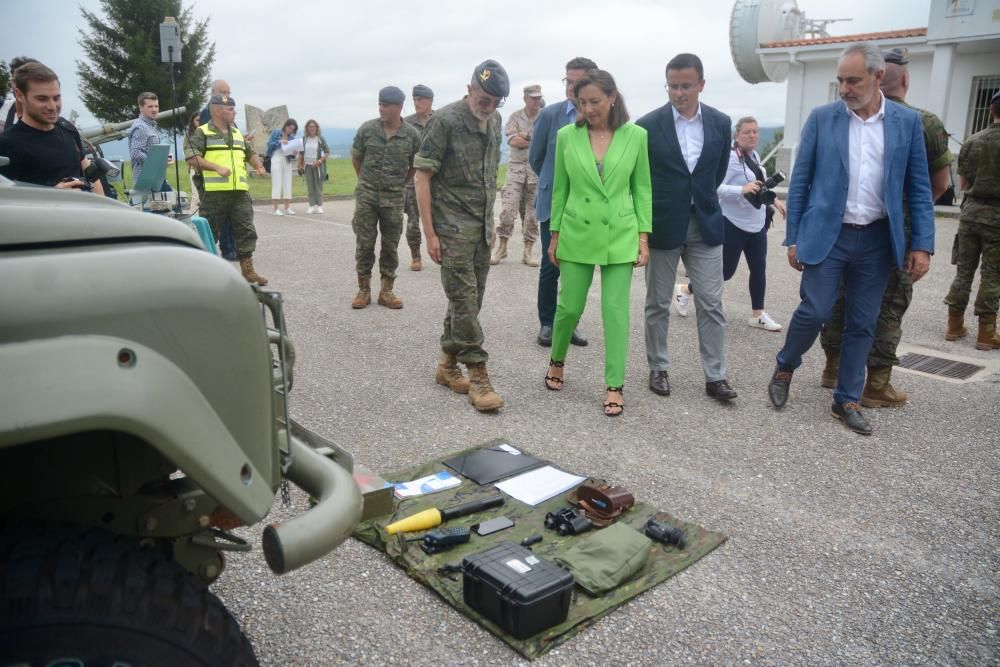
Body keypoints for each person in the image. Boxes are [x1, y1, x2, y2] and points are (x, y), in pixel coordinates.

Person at [767, 43, 935, 436]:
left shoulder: (905, 124)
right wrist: (793, 238)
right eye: (840, 79)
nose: (844, 87)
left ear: (878, 77)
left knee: (863, 323)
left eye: (853, 80)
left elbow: (919, 188)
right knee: (815, 310)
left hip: (877, 240)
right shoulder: (823, 119)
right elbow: (802, 181)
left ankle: (847, 399)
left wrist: (922, 244)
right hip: (831, 235)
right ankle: (786, 365)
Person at [821, 47, 954, 405]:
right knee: (889, 305)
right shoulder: (925, 122)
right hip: (899, 234)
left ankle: (833, 368)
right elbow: (938, 185)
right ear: (906, 80)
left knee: (841, 297)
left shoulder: (850, 117)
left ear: (879, 77)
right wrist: (919, 235)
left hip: (851, 226)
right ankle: (877, 383)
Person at [541, 70, 652, 416]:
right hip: (576, 230)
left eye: (595, 101)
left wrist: (643, 237)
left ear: (612, 97)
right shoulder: (565, 136)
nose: (588, 109)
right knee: (569, 308)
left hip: (620, 233)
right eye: (581, 102)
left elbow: (642, 188)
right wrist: (555, 234)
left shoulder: (636, 136)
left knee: (615, 312)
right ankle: (557, 360)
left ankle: (614, 384)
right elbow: (561, 189)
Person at [637, 53, 735, 402]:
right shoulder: (647, 125)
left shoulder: (722, 123)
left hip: (705, 223)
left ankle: (715, 376)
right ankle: (658, 368)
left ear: (701, 85)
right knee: (658, 302)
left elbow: (718, 171)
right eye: (673, 86)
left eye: (686, 86)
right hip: (663, 223)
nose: (679, 92)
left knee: (711, 302)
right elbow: (641, 177)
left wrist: (700, 197)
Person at [414, 59, 509, 412]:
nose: (488, 106)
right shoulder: (446, 122)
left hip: (481, 228)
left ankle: (446, 364)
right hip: (450, 228)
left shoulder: (495, 121)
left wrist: (493, 222)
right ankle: (479, 376)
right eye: (483, 99)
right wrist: (430, 234)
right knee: (466, 300)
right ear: (469, 90)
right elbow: (421, 177)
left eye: (495, 101)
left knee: (468, 301)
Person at [529, 57, 598, 349]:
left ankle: (569, 322)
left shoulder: (599, 118)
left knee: (578, 266)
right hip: (554, 202)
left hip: (585, 205)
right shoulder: (550, 115)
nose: (571, 87)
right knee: (551, 263)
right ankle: (547, 323)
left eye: (577, 81)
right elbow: (536, 157)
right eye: (567, 81)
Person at [185, 94, 269, 284]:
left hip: (239, 192)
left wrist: (258, 166)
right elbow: (192, 158)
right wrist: (216, 167)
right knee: (209, 232)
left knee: (246, 229)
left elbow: (249, 153)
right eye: (230, 109)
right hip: (214, 194)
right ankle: (202, 272)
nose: (234, 112)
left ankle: (248, 270)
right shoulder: (203, 133)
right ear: (217, 110)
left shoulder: (237, 133)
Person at [350, 86, 421, 309]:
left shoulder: (411, 135)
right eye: (379, 104)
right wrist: (365, 182)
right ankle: (363, 289)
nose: (381, 109)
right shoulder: (367, 129)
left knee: (390, 245)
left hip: (394, 199)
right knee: (364, 243)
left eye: (386, 105)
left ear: (399, 107)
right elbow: (356, 158)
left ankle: (386, 290)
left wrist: (400, 183)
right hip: (367, 197)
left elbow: (415, 166)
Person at [717, 116, 786, 332]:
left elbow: (760, 185)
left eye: (755, 131)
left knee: (759, 268)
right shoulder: (729, 159)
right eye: (747, 132)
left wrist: (774, 199)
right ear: (736, 135)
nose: (753, 135)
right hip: (733, 223)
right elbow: (714, 187)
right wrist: (740, 190)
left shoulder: (754, 156)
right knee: (726, 272)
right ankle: (687, 290)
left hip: (756, 224)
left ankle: (758, 314)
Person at [944, 89, 1000, 350]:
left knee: (964, 271)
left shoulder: (973, 141)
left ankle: (954, 325)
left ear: (991, 110)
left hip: (970, 214)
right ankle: (986, 333)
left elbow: (963, 183)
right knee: (992, 275)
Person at [0, 61, 104, 196]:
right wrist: (53, 195)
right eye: (42, 99)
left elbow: (90, 174)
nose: (52, 106)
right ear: (20, 95)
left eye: (56, 98)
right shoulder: (8, 144)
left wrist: (105, 207)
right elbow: (7, 202)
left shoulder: (67, 129)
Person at [493, 84, 544, 267]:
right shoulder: (515, 117)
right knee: (507, 210)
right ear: (525, 99)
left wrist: (526, 136)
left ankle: (528, 251)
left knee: (532, 215)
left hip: (535, 171)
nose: (537, 101)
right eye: (533, 98)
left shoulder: (543, 117)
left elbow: (542, 141)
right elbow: (513, 141)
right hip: (515, 170)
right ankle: (502, 247)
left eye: (539, 98)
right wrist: (531, 138)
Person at [404, 84, 434, 271]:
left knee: (441, 219)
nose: (416, 103)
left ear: (430, 100)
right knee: (414, 219)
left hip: (436, 178)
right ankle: (416, 255)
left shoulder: (440, 120)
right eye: (414, 99)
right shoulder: (406, 123)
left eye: (420, 99)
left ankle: (444, 253)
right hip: (413, 178)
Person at [127, 91, 171, 191]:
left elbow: (149, 152)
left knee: (167, 203)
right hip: (146, 180)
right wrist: (156, 162)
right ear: (141, 108)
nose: (155, 109)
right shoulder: (141, 127)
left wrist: (162, 160)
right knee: (147, 205)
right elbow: (135, 153)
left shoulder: (151, 125)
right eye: (150, 106)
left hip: (154, 178)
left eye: (156, 106)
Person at [267, 118, 298, 215]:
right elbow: (269, 144)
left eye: (293, 129)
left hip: (287, 160)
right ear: (285, 125)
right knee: (277, 182)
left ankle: (287, 207)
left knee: (287, 183)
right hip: (276, 157)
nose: (290, 130)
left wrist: (294, 153)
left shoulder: (292, 138)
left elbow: (292, 154)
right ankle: (276, 209)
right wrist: (280, 142)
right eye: (290, 128)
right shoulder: (276, 132)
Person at [298, 119, 329, 214]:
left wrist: (319, 161)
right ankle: (311, 205)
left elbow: (327, 152)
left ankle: (319, 206)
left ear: (317, 128)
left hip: (318, 166)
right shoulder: (304, 139)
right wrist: (300, 164)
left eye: (313, 126)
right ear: (307, 128)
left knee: (318, 186)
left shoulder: (320, 139)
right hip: (307, 166)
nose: (312, 128)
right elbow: (301, 153)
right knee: (310, 186)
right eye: (310, 126)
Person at [183, 111, 202, 214]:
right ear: (193, 121)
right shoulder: (189, 134)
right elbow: (186, 151)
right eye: (197, 120)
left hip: (208, 169)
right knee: (196, 196)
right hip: (195, 168)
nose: (200, 122)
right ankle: (193, 222)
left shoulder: (208, 133)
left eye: (201, 120)